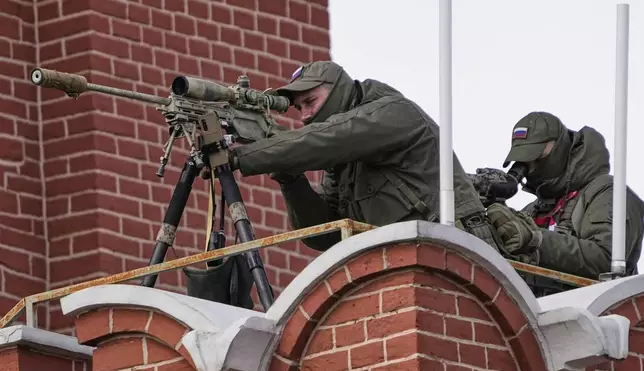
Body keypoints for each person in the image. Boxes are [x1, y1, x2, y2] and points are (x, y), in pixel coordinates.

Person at [226, 60, 502, 252]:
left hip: (456, 248)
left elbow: (328, 138)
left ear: (339, 93)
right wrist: (291, 180)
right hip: (401, 260)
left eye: (311, 102)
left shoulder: (393, 113)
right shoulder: (343, 162)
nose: (306, 115)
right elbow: (326, 235)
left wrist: (241, 157)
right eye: (299, 109)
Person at [486, 111, 644, 296]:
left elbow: (607, 260)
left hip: (595, 317)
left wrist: (537, 240)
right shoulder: (533, 209)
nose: (530, 166)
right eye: (523, 160)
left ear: (559, 148)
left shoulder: (608, 192)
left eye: (535, 156)